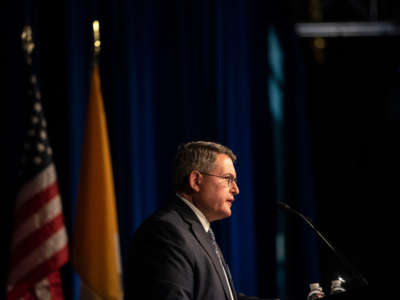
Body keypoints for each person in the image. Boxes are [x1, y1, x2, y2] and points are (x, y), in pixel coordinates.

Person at [125, 141, 275, 300]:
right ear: (196, 180)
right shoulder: (166, 233)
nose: (236, 190)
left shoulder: (200, 232)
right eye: (228, 178)